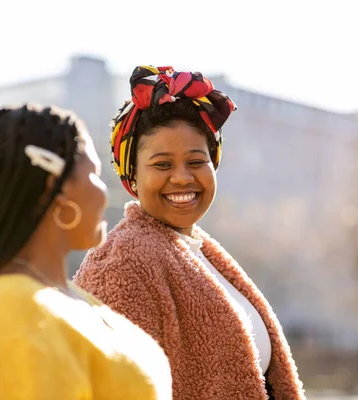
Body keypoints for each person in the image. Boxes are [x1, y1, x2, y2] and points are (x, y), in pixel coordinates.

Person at [74, 66, 306, 400]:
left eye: (196, 162)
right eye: (163, 165)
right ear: (132, 176)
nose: (182, 178)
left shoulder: (201, 254)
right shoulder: (122, 264)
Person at [0, 104, 172, 400]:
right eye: (95, 173)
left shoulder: (70, 300)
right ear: (58, 186)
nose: (105, 191)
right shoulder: (10, 311)